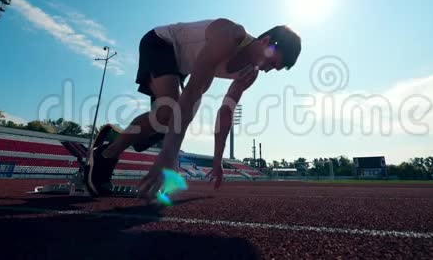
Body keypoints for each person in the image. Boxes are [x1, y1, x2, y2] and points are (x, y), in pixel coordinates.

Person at [85, 18, 301, 197]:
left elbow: (226, 112)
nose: (268, 70)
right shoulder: (230, 35)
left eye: (275, 69)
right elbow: (193, 91)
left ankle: (116, 139)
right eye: (272, 63)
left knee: (164, 119)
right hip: (161, 43)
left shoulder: (250, 72)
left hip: (182, 67)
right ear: (266, 41)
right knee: (170, 113)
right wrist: (169, 154)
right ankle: (106, 155)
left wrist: (218, 161)